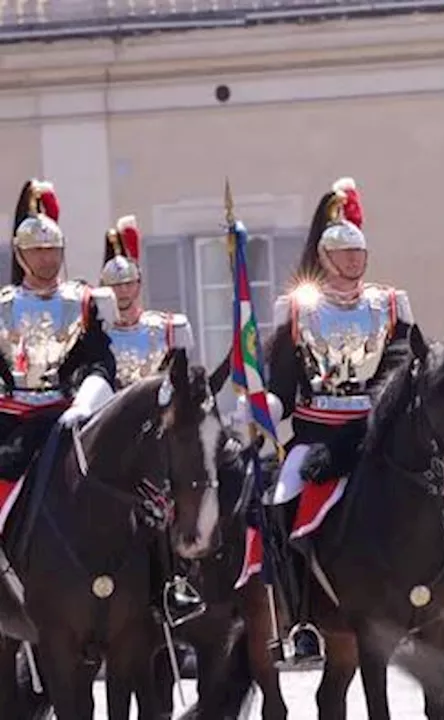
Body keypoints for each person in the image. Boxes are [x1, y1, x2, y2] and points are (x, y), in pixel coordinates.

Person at [257, 177, 414, 665]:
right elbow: (283, 384)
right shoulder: (301, 312)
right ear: (324, 258)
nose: (352, 261)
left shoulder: (389, 306)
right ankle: (302, 614)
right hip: (317, 434)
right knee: (280, 501)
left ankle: (437, 601)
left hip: (374, 433)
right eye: (343, 254)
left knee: (439, 490)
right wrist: (267, 408)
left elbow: (404, 366)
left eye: (357, 253)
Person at [0, 179, 118, 638]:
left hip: (69, 419)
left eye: (54, 250)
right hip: (12, 423)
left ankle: (166, 591)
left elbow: (101, 361)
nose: (48, 259)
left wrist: (86, 397)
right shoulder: (4, 307)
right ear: (21, 254)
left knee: (148, 489)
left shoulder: (83, 302)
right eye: (39, 250)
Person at [99, 214, 206, 627]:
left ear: (139, 285)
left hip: (160, 440)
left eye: (128, 284)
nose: (122, 292)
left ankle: (176, 584)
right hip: (111, 438)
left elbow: (183, 383)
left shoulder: (166, 328)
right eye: (114, 286)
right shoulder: (95, 332)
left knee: (179, 501)